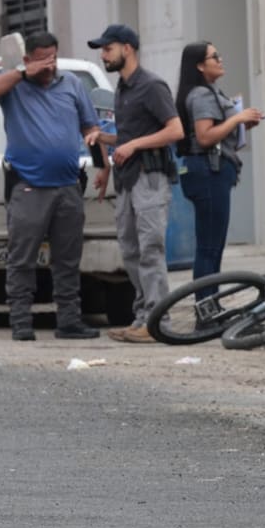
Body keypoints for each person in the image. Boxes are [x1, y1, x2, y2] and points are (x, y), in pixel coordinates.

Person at [0, 31, 102, 341]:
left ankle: (69, 321)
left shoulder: (71, 84)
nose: (50, 65)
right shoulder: (14, 86)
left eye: (54, 57)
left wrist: (100, 156)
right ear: (28, 59)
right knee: (22, 258)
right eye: (43, 59)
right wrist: (20, 73)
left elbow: (90, 126)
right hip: (29, 186)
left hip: (68, 185)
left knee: (68, 260)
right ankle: (21, 322)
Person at [84, 24, 183, 343]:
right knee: (129, 249)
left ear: (127, 48)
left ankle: (157, 320)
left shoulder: (152, 85)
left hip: (150, 179)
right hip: (127, 179)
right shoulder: (122, 89)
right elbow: (125, 140)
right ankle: (142, 316)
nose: (103, 55)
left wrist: (133, 145)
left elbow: (175, 130)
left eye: (108, 48)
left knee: (150, 248)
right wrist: (105, 142)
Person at [174, 41, 263, 294]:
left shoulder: (210, 91)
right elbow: (205, 136)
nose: (220, 60)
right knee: (209, 247)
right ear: (200, 65)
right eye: (215, 56)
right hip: (208, 173)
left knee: (212, 246)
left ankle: (209, 305)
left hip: (210, 171)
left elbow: (216, 133)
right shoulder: (202, 94)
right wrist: (237, 118)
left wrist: (242, 125)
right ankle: (206, 308)